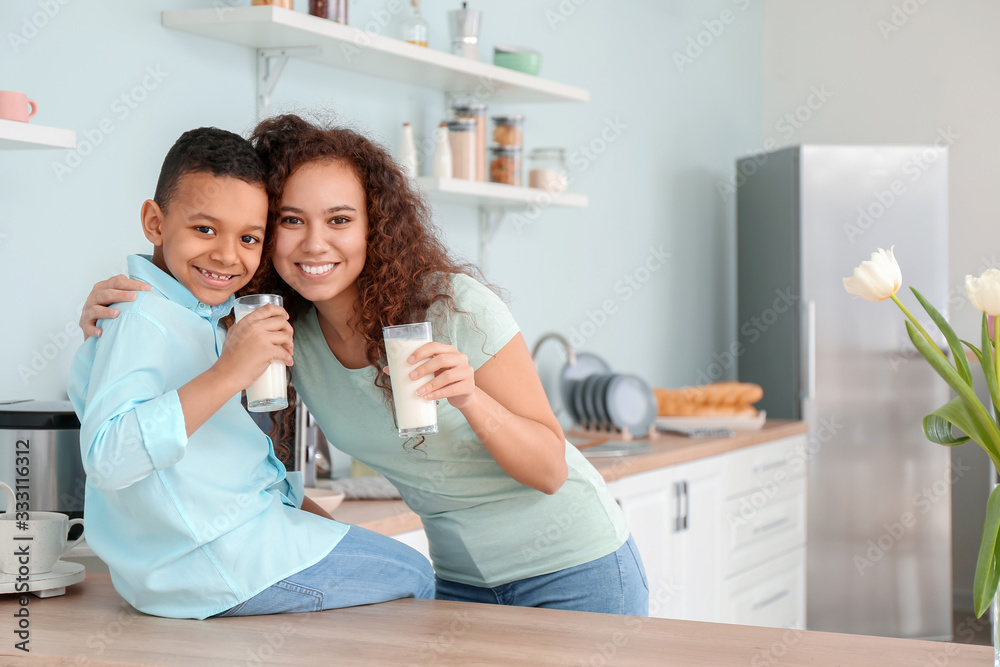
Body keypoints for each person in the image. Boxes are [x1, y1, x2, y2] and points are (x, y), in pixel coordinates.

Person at [81, 115, 648, 616]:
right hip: (456, 580)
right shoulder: (283, 331)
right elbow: (187, 307)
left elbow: (550, 469)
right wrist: (110, 311)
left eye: (340, 220)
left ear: (375, 226)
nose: (315, 244)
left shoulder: (453, 307)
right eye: (292, 221)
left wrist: (472, 398)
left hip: (573, 569)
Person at [69, 127, 433, 620]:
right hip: (218, 564)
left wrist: (320, 526)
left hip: (204, 562)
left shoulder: (199, 315)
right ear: (154, 222)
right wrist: (229, 372)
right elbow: (107, 458)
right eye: (204, 229)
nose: (226, 255)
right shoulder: (139, 316)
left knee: (391, 570)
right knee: (417, 576)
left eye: (248, 238)